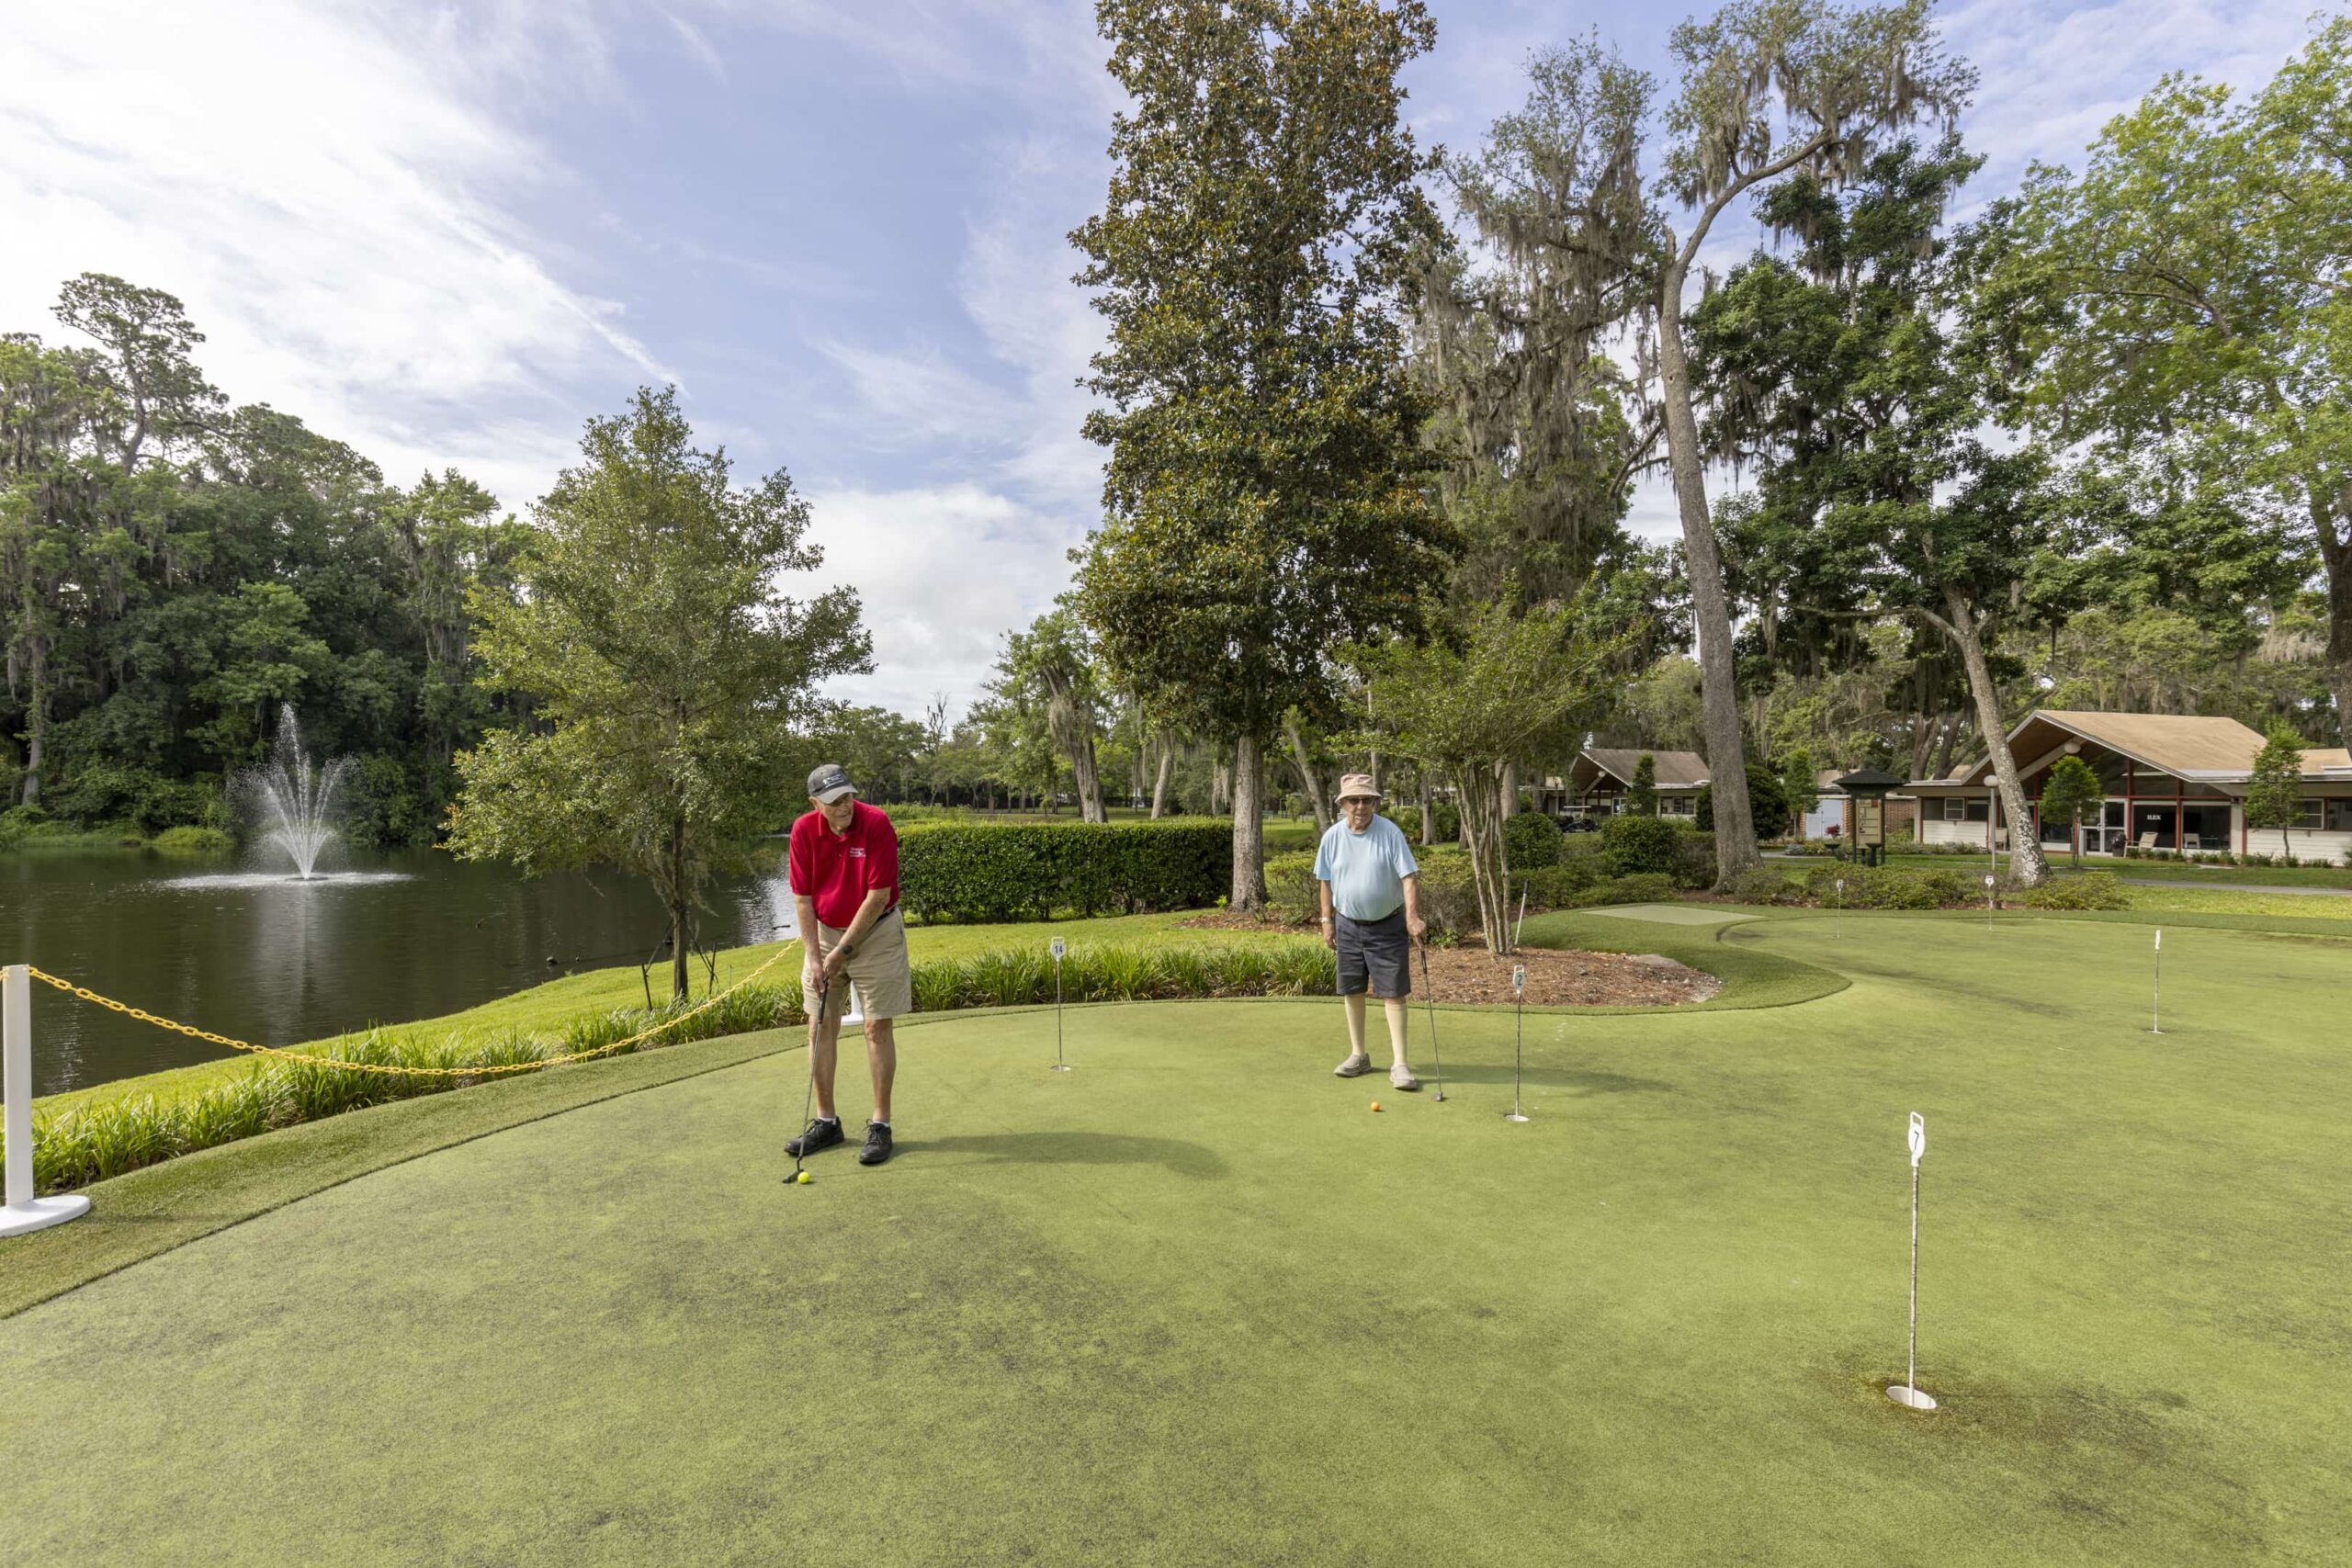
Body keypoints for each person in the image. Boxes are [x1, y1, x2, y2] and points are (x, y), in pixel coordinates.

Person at [784, 762, 913, 1167]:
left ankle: (881, 1125)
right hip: (823, 933)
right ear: (814, 804)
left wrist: (840, 955)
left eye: (847, 797)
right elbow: (803, 900)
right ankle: (826, 1122)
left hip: (876, 932)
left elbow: (878, 896)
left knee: (876, 1026)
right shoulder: (804, 830)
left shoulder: (876, 824)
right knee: (819, 1025)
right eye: (833, 801)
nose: (844, 807)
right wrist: (815, 956)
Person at [1314, 773, 1426, 1090]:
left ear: (1375, 802)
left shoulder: (1390, 833)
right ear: (1343, 804)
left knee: (1393, 992)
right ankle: (1359, 1055)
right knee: (1352, 990)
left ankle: (1400, 1064)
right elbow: (1325, 881)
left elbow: (1408, 877)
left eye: (1366, 800)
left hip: (1387, 925)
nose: (1360, 806)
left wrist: (1413, 918)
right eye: (1353, 800)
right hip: (1347, 925)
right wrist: (1327, 922)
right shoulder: (1332, 837)